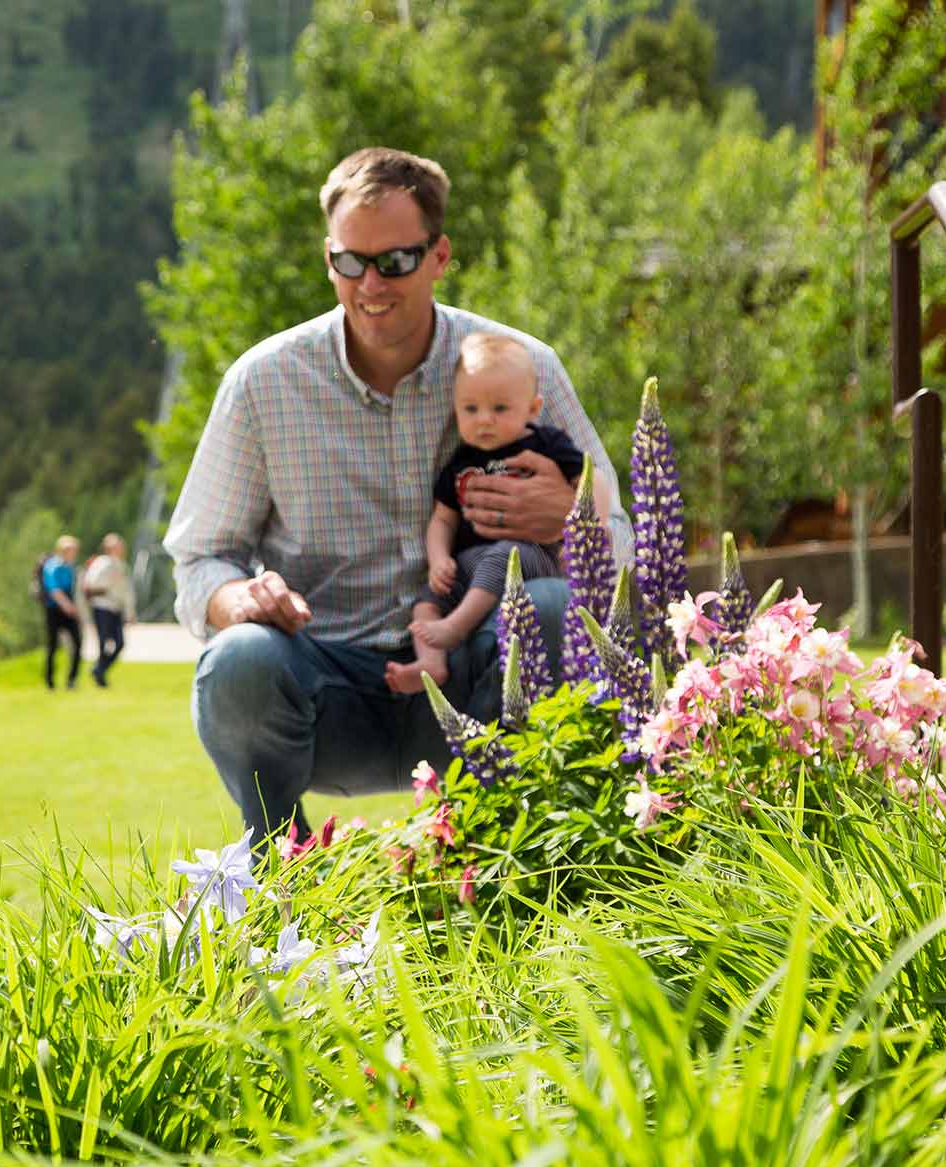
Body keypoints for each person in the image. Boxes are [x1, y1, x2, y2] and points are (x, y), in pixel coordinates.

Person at [163, 145, 633, 847]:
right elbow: (200, 558)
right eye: (348, 261)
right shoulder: (263, 382)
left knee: (556, 608)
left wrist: (571, 524)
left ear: (440, 256)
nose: (369, 283)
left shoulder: (517, 365)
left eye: (395, 261)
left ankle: (506, 861)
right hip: (326, 686)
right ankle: (284, 874)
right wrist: (242, 601)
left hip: (475, 677)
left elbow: (622, 535)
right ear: (328, 259)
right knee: (237, 660)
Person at [396, 332, 583, 691]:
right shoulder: (461, 460)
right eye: (470, 409)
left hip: (532, 556)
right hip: (470, 564)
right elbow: (443, 519)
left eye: (499, 409)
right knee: (426, 601)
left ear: (532, 408)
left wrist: (580, 524)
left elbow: (588, 482)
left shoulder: (545, 443)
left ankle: (455, 629)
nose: (484, 420)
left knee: (504, 557)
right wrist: (437, 561)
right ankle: (430, 663)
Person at [81, 532, 137, 687]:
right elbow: (91, 584)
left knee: (119, 643)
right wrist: (107, 587)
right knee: (103, 642)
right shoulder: (102, 563)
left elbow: (127, 592)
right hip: (102, 606)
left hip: (116, 608)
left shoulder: (123, 566)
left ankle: (100, 669)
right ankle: (100, 676)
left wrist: (130, 612)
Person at [41, 534, 83, 690]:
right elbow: (54, 590)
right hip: (54, 609)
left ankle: (72, 680)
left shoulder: (71, 567)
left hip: (69, 610)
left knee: (78, 644)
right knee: (52, 646)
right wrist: (69, 607)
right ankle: (50, 681)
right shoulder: (53, 566)